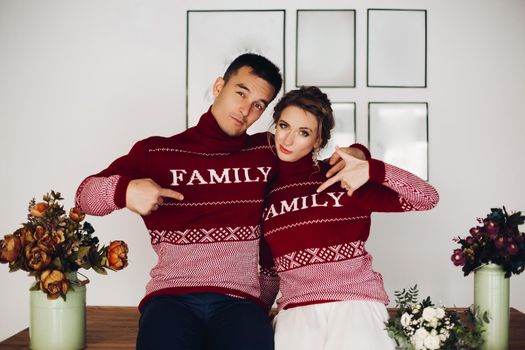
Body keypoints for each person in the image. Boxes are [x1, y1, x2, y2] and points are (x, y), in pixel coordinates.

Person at [75, 54, 361, 350]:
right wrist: (126, 191)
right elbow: (85, 196)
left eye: (258, 105)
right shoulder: (158, 151)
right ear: (218, 86)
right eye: (241, 93)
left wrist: (359, 153)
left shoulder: (268, 150)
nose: (245, 110)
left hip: (239, 302)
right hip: (171, 297)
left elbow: (318, 169)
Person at [261, 86, 440, 350]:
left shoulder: (345, 177)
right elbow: (269, 269)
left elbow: (426, 198)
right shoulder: (265, 192)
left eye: (303, 133)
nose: (287, 140)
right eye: (284, 126)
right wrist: (256, 313)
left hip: (356, 301)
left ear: (319, 141)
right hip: (297, 308)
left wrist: (371, 168)